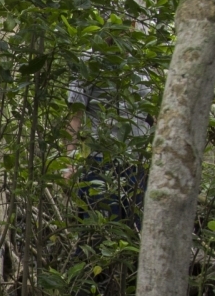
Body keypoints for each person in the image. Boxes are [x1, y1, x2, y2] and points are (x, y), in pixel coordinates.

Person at [65, 70, 152, 227]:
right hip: (99, 162)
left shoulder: (142, 67)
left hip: (136, 164)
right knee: (99, 229)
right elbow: (74, 117)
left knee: (137, 228)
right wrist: (70, 160)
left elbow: (151, 115)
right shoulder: (88, 61)